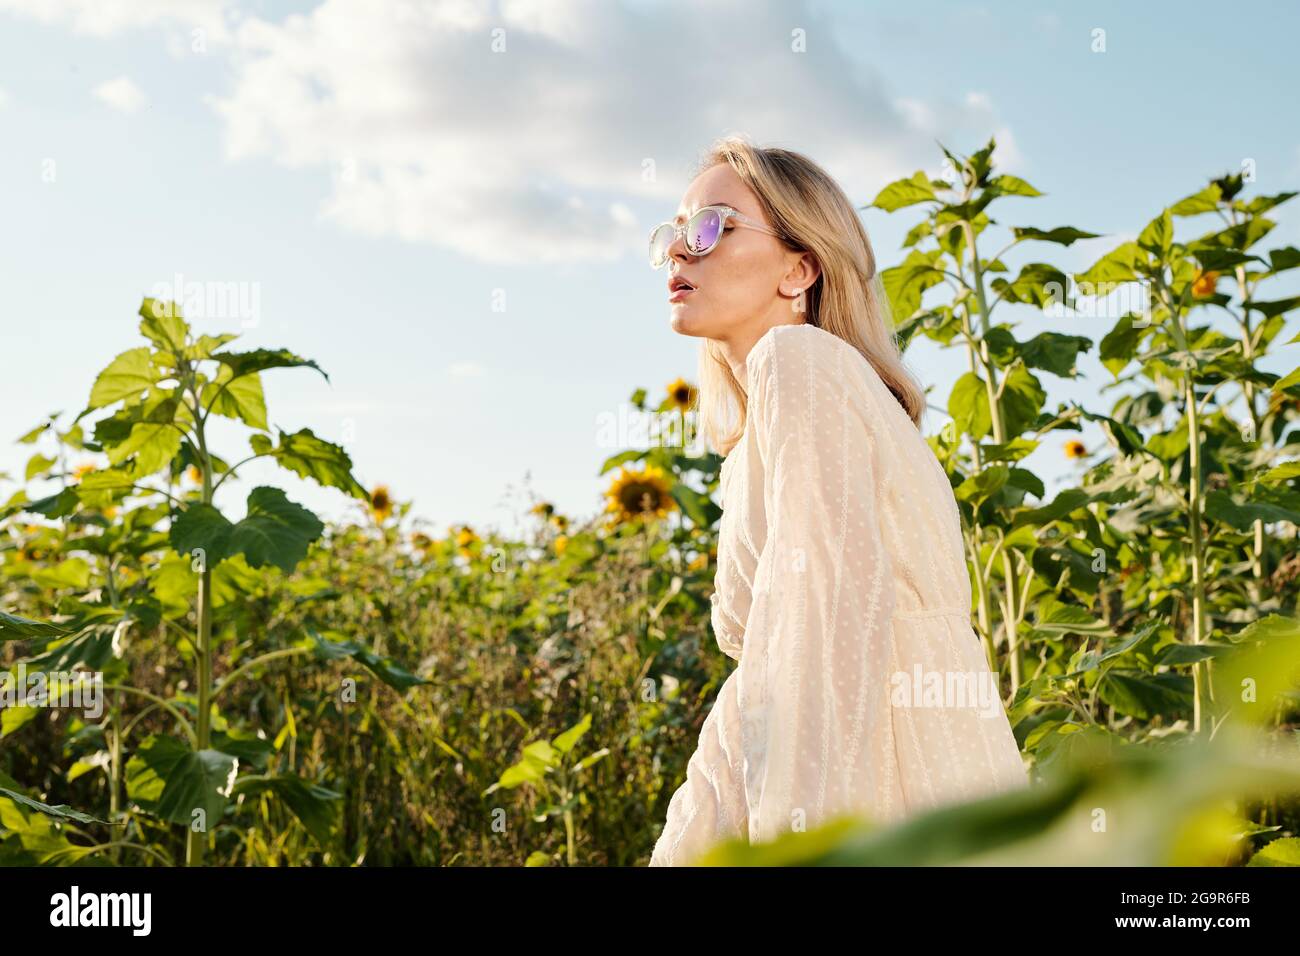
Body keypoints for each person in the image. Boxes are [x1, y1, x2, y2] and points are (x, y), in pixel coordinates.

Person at [646, 136, 1028, 867]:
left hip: (881, 776)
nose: (679, 254)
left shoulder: (801, 364)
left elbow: (827, 619)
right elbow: (774, 660)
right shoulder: (778, 414)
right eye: (673, 233)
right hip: (924, 756)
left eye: (711, 227)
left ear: (801, 268)